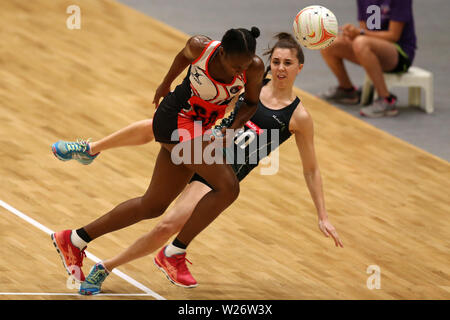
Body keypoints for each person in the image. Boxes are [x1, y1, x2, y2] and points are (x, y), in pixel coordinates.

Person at [54, 33, 344, 295]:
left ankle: (83, 245)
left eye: (288, 63)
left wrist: (323, 215)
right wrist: (168, 85)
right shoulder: (249, 78)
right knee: (209, 177)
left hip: (215, 158)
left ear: (299, 68)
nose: (280, 68)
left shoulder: (296, 114)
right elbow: (192, 77)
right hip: (204, 149)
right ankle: (92, 149)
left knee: (156, 211)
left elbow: (311, 168)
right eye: (277, 61)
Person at [50, 27, 265, 285]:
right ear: (221, 52)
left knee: (152, 205)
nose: (237, 72)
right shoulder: (201, 47)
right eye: (233, 66)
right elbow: (182, 56)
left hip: (200, 128)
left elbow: (251, 103)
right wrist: (166, 83)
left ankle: (74, 239)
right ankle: (174, 253)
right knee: (228, 186)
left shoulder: (253, 67)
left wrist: (230, 129)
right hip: (174, 120)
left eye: (242, 66)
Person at [319, 0, 416, 117]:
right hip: (371, 45)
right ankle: (347, 90)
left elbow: (393, 36)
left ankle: (386, 99)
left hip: (399, 53)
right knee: (330, 42)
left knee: (361, 42)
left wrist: (360, 33)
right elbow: (364, 31)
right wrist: (351, 34)